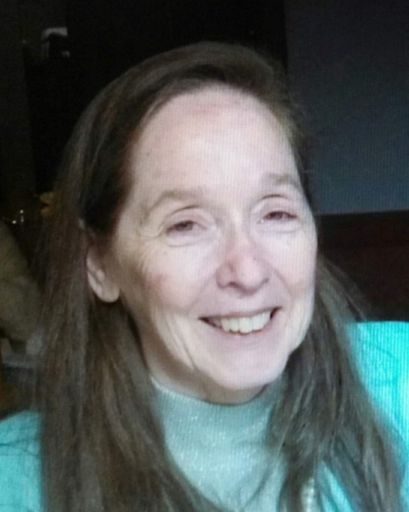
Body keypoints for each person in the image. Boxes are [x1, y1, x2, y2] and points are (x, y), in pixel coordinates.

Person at [0, 42, 408, 512]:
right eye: (185, 225)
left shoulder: (399, 385)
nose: (248, 271)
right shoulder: (19, 482)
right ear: (100, 264)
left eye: (275, 213)